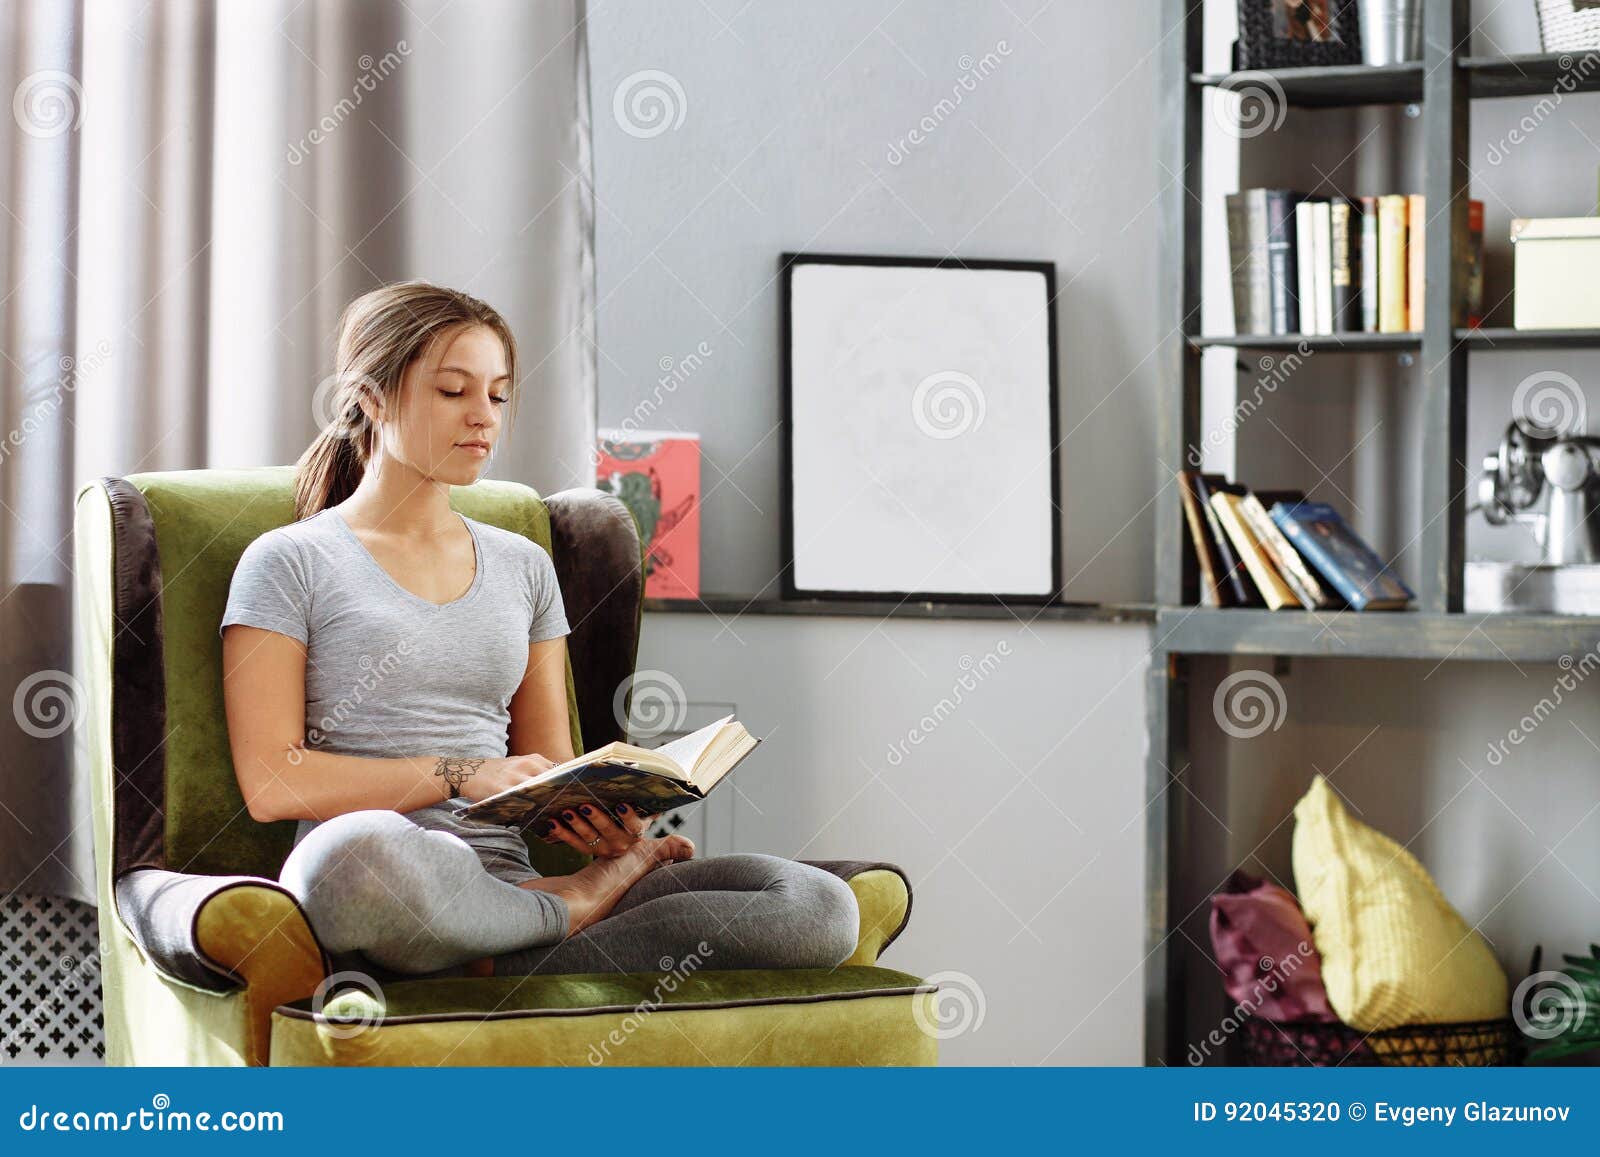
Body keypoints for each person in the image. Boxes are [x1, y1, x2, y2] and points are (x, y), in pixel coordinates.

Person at [219, 280, 859, 980]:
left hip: (508, 887)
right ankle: (569, 913)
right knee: (348, 861)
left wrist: (600, 817)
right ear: (371, 399)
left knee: (819, 907)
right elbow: (272, 781)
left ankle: (522, 938)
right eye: (453, 391)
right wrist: (459, 774)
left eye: (496, 395)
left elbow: (550, 766)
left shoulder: (523, 566)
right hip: (389, 883)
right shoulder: (288, 561)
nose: (483, 418)